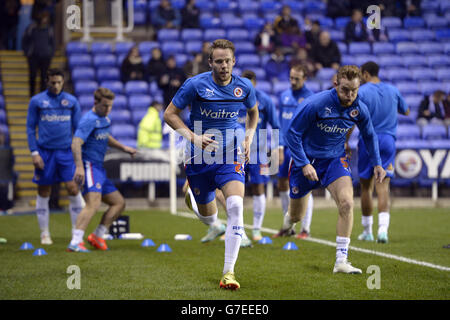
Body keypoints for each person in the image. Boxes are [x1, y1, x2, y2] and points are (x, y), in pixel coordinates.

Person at [164, 39, 259, 290]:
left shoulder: (244, 87)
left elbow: (254, 113)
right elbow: (169, 114)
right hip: (199, 158)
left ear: (234, 61)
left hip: (230, 154)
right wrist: (193, 137)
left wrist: (248, 138)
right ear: (210, 63)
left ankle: (229, 272)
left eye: (228, 61)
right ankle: (196, 203)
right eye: (219, 61)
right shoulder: (195, 85)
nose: (224, 66)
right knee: (209, 217)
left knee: (236, 205)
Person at [279, 65, 386, 274]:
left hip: (335, 160)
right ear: (336, 84)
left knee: (346, 203)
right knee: (296, 216)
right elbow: (292, 134)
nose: (350, 95)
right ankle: (288, 223)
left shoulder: (359, 108)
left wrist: (378, 163)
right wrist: (303, 163)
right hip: (306, 160)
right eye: (345, 89)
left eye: (354, 90)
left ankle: (341, 261)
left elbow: (370, 135)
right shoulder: (315, 104)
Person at [68, 88, 137, 252]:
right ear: (95, 103)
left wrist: (124, 148)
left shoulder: (104, 118)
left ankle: (98, 236)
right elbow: (76, 143)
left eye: (110, 106)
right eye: (105, 106)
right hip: (89, 166)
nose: (108, 109)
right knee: (93, 203)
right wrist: (79, 166)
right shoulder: (89, 120)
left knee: (119, 203)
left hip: (99, 168)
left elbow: (106, 136)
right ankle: (75, 241)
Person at [26, 68, 84, 245]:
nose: (56, 86)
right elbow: (30, 128)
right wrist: (34, 152)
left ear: (63, 82)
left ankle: (76, 233)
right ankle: (45, 233)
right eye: (53, 82)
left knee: (73, 189)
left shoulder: (72, 101)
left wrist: (78, 154)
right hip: (44, 152)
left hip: (66, 152)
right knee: (44, 191)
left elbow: (78, 130)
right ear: (47, 81)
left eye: (59, 82)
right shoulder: (37, 101)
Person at [357, 61, 409, 244]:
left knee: (366, 187)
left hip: (367, 140)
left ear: (365, 74)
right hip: (387, 140)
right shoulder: (393, 90)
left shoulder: (362, 92)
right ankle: (383, 231)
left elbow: (353, 115)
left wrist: (346, 141)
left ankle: (367, 231)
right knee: (383, 186)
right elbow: (407, 110)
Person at [240, 70, 284, 241]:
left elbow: (276, 125)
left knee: (259, 188)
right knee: (233, 189)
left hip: (258, 152)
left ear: (255, 84)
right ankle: (236, 228)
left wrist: (278, 148)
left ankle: (256, 229)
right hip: (236, 151)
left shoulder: (265, 100)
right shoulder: (233, 99)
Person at [274, 64, 314, 239]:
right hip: (285, 147)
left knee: (305, 187)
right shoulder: (284, 96)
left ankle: (305, 228)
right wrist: (279, 147)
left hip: (302, 149)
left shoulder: (311, 98)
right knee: (282, 184)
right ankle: (288, 226)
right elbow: (280, 125)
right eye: (291, 78)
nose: (293, 81)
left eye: (297, 78)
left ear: (305, 78)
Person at [22, 11, 54, 97]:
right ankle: (31, 94)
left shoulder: (49, 30)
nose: (45, 20)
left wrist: (50, 53)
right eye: (43, 18)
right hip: (33, 56)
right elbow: (25, 41)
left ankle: (42, 95)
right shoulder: (31, 28)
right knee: (32, 75)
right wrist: (27, 52)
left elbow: (52, 43)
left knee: (44, 77)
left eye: (46, 18)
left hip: (45, 57)